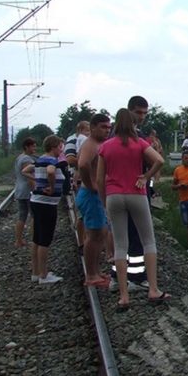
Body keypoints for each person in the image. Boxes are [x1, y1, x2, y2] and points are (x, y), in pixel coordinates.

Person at [98, 108, 168, 308]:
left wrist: (105, 201)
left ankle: (124, 296)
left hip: (114, 196)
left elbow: (99, 178)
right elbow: (159, 160)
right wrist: (145, 177)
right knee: (148, 241)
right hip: (136, 194)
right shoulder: (139, 143)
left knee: (121, 246)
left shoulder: (106, 147)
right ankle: (154, 290)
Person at [23, 135, 66, 284]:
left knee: (37, 238)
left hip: (36, 201)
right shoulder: (52, 161)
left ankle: (36, 272)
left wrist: (38, 182)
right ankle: (44, 275)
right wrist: (52, 187)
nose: (61, 150)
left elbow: (25, 170)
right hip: (47, 204)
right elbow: (50, 171)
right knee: (45, 240)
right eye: (60, 147)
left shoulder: (39, 159)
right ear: (54, 147)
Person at [77, 113, 113, 287]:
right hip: (91, 195)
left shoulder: (98, 144)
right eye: (103, 127)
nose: (107, 130)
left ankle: (96, 272)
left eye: (108, 127)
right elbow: (83, 164)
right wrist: (90, 184)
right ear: (92, 127)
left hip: (94, 195)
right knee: (94, 235)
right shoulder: (91, 144)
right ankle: (91, 275)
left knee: (100, 234)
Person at [65, 121, 90, 247]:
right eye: (88, 130)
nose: (89, 132)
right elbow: (70, 159)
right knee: (82, 212)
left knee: (85, 211)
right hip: (80, 179)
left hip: (85, 178)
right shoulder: (74, 140)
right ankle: (83, 241)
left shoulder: (86, 140)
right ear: (80, 130)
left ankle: (87, 240)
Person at [14, 137, 37, 247]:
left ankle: (18, 240)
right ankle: (35, 239)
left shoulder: (19, 157)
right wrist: (35, 190)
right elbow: (30, 177)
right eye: (33, 146)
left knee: (22, 215)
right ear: (26, 147)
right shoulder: (27, 160)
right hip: (27, 190)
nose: (34, 148)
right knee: (34, 215)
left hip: (19, 189)